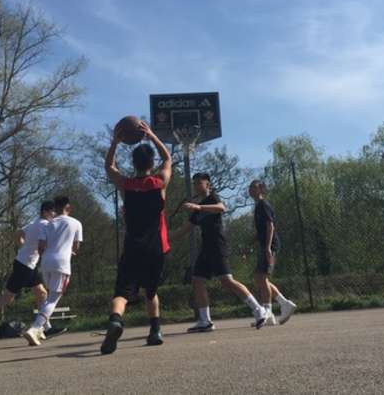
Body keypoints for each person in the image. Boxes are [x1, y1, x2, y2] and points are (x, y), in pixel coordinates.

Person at [101, 120, 172, 355]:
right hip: (155, 248)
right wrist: (151, 135)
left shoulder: (127, 185)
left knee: (121, 292)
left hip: (132, 247)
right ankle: (155, 331)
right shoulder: (159, 183)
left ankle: (115, 321)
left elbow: (109, 166)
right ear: (151, 163)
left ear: (133, 162)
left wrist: (115, 142)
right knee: (151, 292)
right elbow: (168, 159)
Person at [175, 172, 267, 332]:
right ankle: (205, 321)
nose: (196, 185)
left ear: (208, 184)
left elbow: (221, 208)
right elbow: (184, 230)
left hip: (218, 246)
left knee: (227, 281)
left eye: (199, 182)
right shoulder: (198, 210)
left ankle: (259, 310)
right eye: (194, 183)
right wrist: (162, 238)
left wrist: (199, 206)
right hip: (205, 249)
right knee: (197, 280)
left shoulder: (212, 199)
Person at [0, 200, 54, 341]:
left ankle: (45, 327)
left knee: (41, 292)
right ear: (45, 212)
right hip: (24, 266)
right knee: (7, 298)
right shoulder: (44, 225)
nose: (54, 215)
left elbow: (17, 235)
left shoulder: (33, 223)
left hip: (27, 264)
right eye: (52, 212)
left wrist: (24, 248)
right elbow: (43, 244)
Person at [23, 196, 83, 346]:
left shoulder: (47, 225)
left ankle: (42, 327)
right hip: (61, 263)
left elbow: (41, 246)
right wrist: (69, 252)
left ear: (55, 208)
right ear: (68, 207)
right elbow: (76, 248)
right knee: (53, 298)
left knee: (49, 297)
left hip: (46, 262)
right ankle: (36, 328)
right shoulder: (76, 223)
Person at [249, 179, 297, 325]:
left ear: (261, 189)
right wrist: (250, 243)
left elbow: (270, 226)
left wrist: (268, 247)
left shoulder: (263, 205)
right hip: (264, 245)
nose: (250, 190)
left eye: (254, 187)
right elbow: (261, 230)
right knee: (260, 278)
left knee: (261, 278)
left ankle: (268, 312)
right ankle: (284, 304)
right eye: (249, 187)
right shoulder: (258, 207)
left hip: (270, 245)